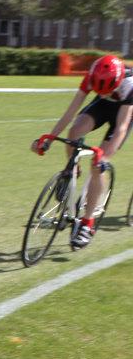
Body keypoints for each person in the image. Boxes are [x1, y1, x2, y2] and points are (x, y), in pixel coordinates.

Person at [32, 54, 132, 249]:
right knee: (74, 132)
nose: (102, 92)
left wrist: (103, 157)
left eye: (107, 89)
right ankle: (71, 172)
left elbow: (121, 128)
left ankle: (87, 224)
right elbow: (70, 112)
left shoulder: (129, 85)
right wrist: (50, 138)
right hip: (104, 106)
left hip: (125, 113)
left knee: (97, 166)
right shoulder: (91, 77)